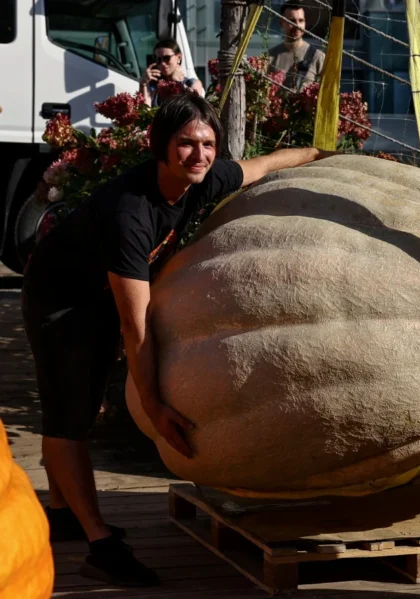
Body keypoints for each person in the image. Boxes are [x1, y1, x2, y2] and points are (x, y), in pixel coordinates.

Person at [21, 93, 335, 587]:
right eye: (186, 144)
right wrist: (151, 403)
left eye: (207, 144)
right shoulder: (131, 213)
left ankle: (62, 513)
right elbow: (136, 325)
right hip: (62, 298)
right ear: (159, 147)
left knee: (74, 404)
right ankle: (100, 544)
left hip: (101, 289)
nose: (200, 155)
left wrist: (317, 155)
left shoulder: (206, 177)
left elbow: (262, 165)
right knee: (69, 420)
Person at [268, 2, 326, 90]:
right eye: (292, 21)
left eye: (301, 21)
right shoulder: (270, 57)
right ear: (281, 23)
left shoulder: (317, 57)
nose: (297, 25)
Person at [139, 39, 205, 107]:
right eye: (158, 59)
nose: (162, 63)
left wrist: (178, 82)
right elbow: (146, 112)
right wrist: (143, 84)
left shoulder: (192, 83)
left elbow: (195, 106)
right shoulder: (153, 86)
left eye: (167, 58)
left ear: (179, 57)